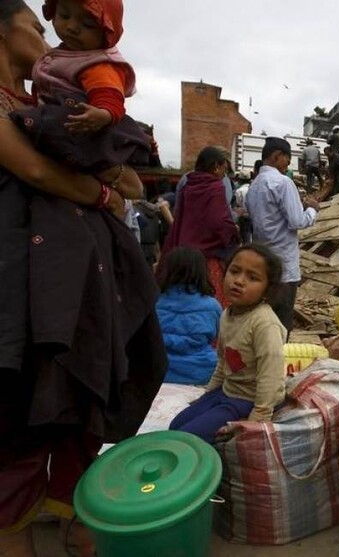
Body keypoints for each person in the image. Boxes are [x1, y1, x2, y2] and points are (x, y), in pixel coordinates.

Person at [0, 4, 167, 555]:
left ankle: (78, 520)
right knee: (19, 437)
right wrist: (102, 192)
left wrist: (113, 174)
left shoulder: (51, 104)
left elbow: (135, 187)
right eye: (37, 26)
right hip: (20, 302)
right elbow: (37, 170)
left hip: (81, 301)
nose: (51, 37)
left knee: (79, 416)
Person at [10, 0, 151, 175]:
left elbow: (109, 94)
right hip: (62, 118)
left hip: (78, 120)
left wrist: (103, 113)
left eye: (88, 24)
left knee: (30, 124)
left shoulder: (97, 64)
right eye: (64, 15)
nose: (72, 27)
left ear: (106, 33)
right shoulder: (66, 54)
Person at [169, 244, 287, 443]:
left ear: (268, 289)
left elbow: (271, 376)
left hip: (249, 400)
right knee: (175, 426)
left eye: (253, 277)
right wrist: (206, 396)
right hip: (226, 392)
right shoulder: (227, 314)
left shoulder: (264, 324)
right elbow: (223, 363)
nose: (239, 281)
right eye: (234, 271)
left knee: (186, 439)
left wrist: (259, 416)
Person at [246, 137, 319, 335]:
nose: (288, 164)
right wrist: (312, 210)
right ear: (277, 156)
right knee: (281, 324)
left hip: (262, 263)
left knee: (263, 321)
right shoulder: (283, 182)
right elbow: (297, 221)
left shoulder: (253, 187)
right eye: (287, 159)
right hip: (284, 267)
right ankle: (278, 362)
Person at [161, 145, 240, 308]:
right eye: (223, 169)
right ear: (216, 167)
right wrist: (233, 232)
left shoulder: (188, 184)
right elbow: (219, 222)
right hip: (207, 258)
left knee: (183, 300)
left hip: (183, 252)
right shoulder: (216, 186)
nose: (224, 174)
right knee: (212, 301)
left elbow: (180, 216)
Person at [156, 247, 222, 385]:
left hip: (160, 370)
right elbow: (220, 338)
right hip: (202, 371)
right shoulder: (212, 306)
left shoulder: (154, 302)